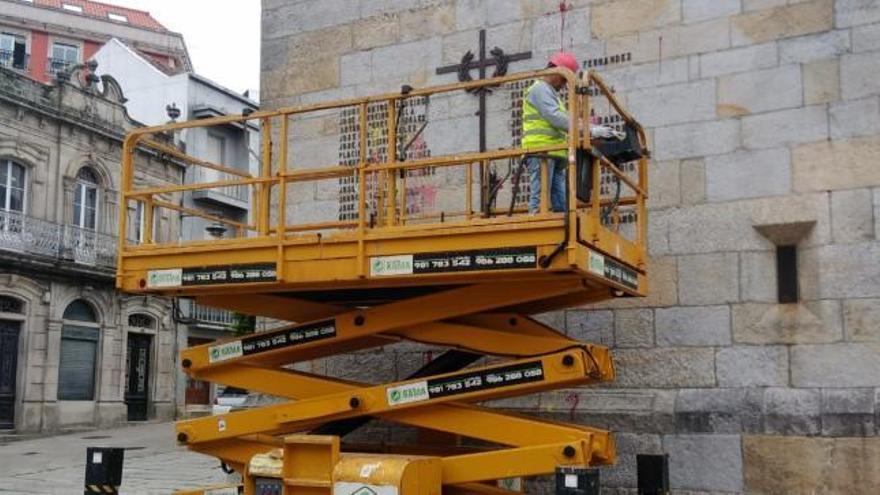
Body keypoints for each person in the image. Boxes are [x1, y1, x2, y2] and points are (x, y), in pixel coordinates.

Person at [522, 51, 618, 213]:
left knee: (560, 200)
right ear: (556, 71)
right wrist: (590, 129)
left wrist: (593, 130)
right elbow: (557, 118)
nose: (564, 85)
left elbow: (566, 119)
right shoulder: (539, 89)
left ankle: (566, 225)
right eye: (564, 79)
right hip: (541, 152)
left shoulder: (551, 94)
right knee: (540, 197)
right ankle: (536, 221)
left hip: (555, 153)